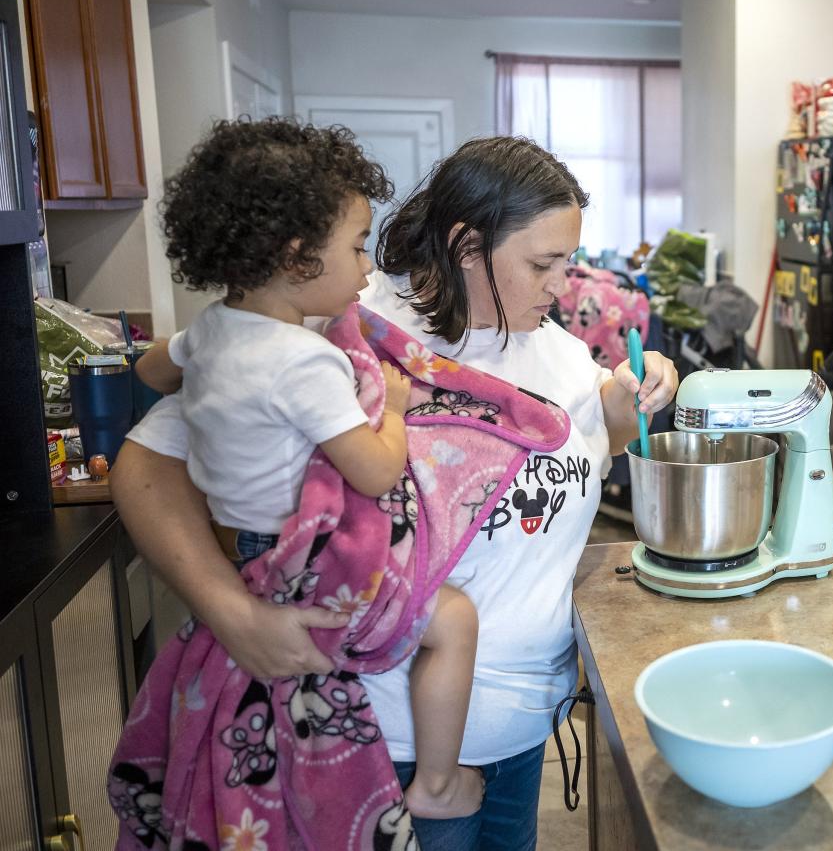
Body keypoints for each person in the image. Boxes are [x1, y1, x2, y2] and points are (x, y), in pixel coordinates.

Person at [112, 135, 678, 850]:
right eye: (543, 263)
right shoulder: (335, 328)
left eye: (566, 262)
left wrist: (641, 389)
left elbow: (604, 437)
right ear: (468, 246)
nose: (562, 285)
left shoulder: (558, 351)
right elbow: (144, 466)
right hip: (389, 741)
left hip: (524, 730)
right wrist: (231, 613)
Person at [133, 117, 485, 818]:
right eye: (356, 247)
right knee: (455, 618)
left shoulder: (208, 330)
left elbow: (148, 369)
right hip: (307, 563)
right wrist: (393, 405)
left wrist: (197, 367)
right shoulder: (305, 363)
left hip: (240, 553)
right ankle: (438, 784)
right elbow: (376, 472)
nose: (366, 268)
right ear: (296, 256)